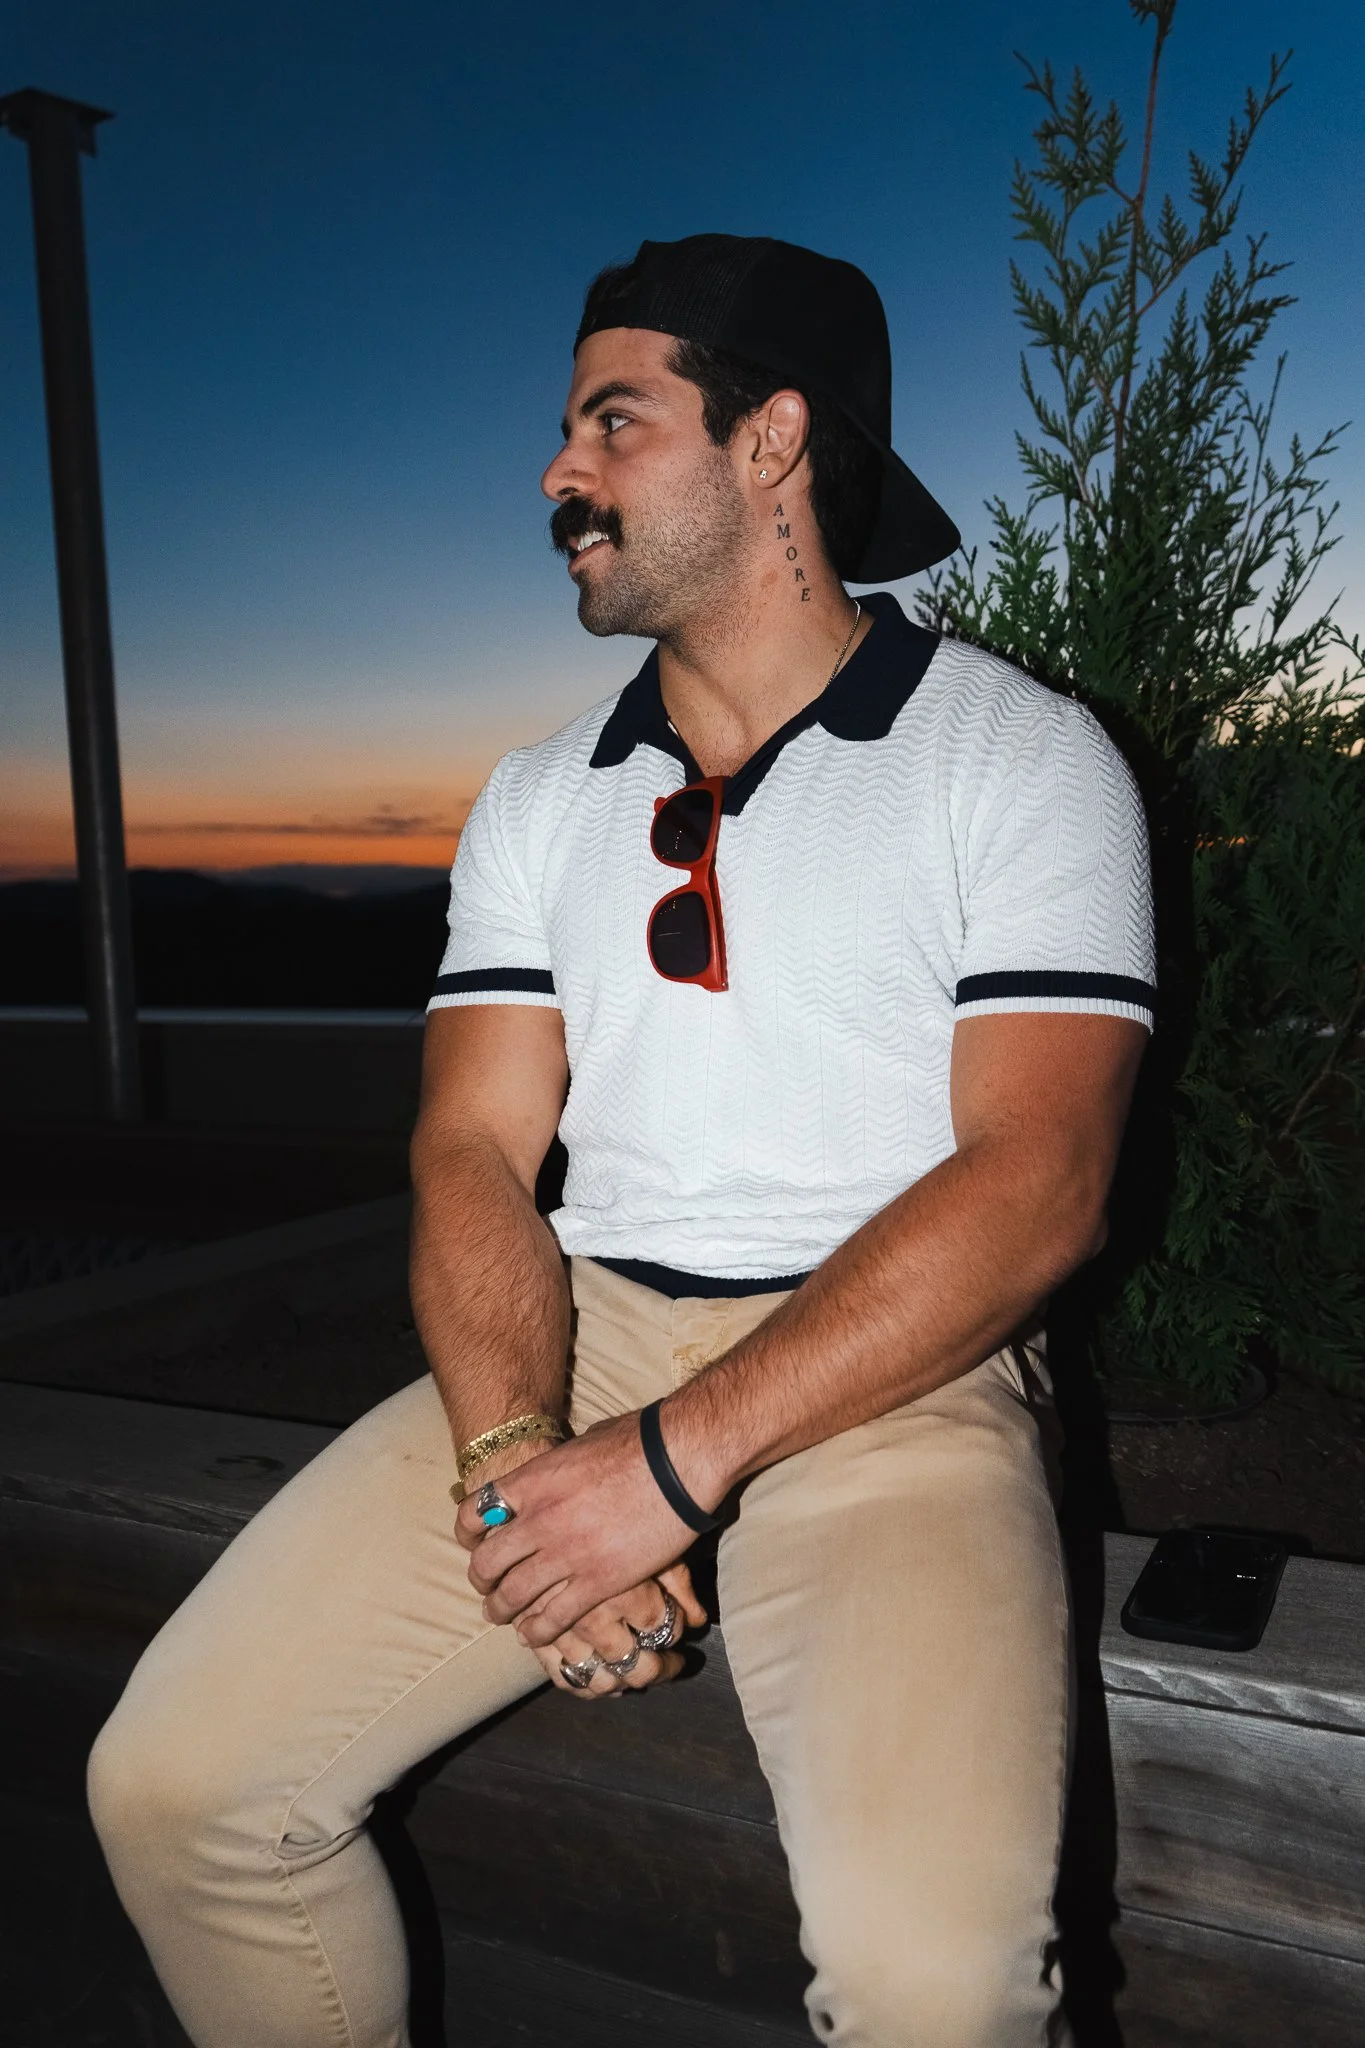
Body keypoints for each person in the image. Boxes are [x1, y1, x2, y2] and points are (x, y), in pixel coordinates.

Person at [88, 233, 1155, 2048]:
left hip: (902, 1366)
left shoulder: (1020, 760)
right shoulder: (533, 800)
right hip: (580, 1334)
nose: (555, 474)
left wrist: (666, 1473)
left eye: (611, 420)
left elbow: (1036, 1181)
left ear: (771, 442)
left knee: (935, 1992)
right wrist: (518, 1459)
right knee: (183, 1795)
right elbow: (471, 1157)